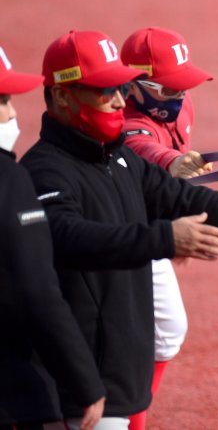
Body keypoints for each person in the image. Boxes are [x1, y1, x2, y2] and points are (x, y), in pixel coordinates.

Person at [20, 30, 218, 429]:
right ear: (63, 96)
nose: (119, 101)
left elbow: (180, 199)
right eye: (105, 91)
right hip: (75, 395)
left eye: (121, 88)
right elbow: (68, 237)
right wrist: (166, 239)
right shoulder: (44, 171)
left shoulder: (116, 159)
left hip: (111, 383)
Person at [0, 45, 105, 429]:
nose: (13, 113)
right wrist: (85, 381)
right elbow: (36, 291)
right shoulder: (9, 179)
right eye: (3, 100)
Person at [119, 26, 214, 430]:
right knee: (157, 332)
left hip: (147, 229)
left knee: (160, 331)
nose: (180, 95)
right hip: (119, 238)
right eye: (169, 89)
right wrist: (173, 164)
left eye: (183, 86)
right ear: (134, 85)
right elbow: (141, 146)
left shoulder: (181, 105)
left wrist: (171, 225)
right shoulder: (124, 121)